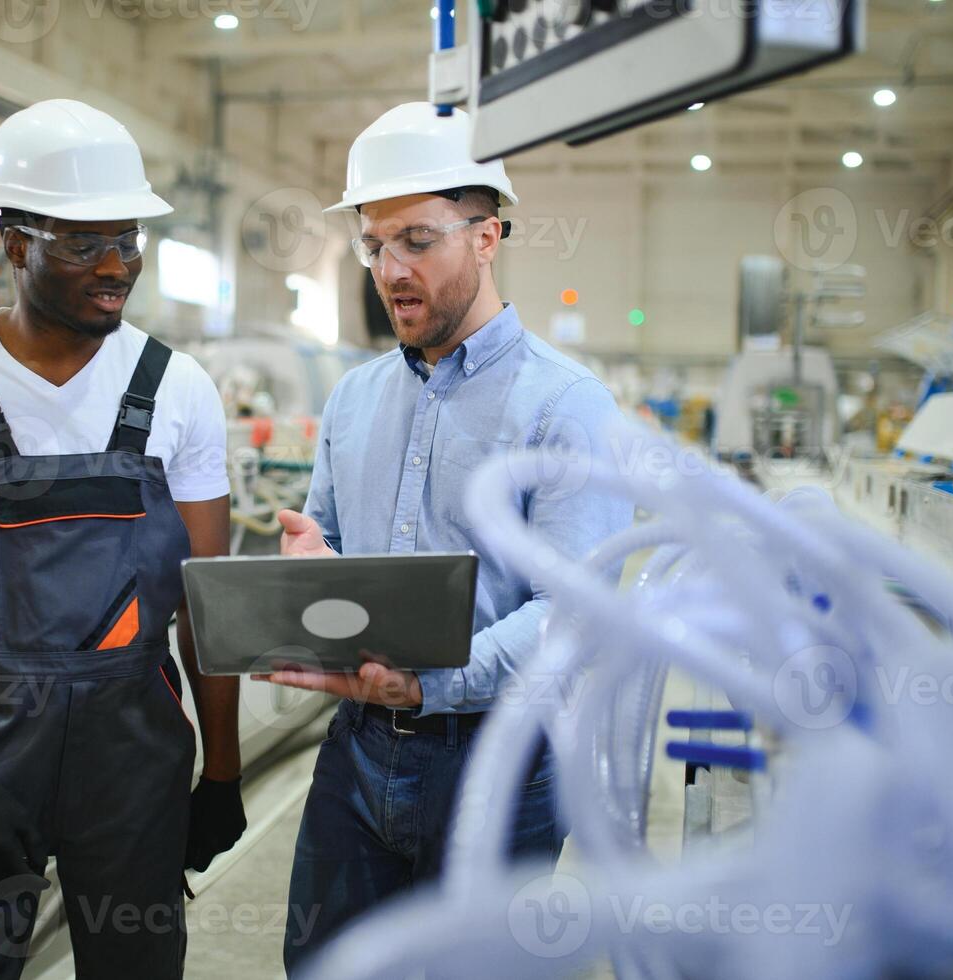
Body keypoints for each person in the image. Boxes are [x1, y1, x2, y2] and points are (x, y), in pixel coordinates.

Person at [0, 99, 245, 979]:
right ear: (13, 243)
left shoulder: (177, 389)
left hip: (135, 747)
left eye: (129, 241)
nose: (116, 268)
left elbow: (207, 601)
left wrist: (221, 770)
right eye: (83, 245)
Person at [260, 102, 633, 973]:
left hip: (497, 764)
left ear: (488, 235)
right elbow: (335, 546)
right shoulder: (354, 400)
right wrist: (309, 578)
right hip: (355, 751)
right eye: (373, 244)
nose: (389, 270)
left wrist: (428, 683)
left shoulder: (564, 405)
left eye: (417, 241)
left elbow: (574, 611)